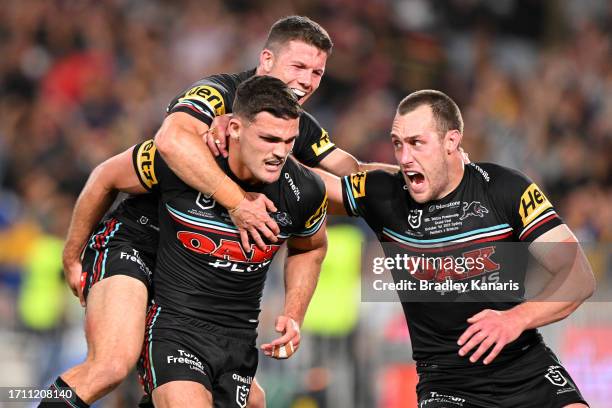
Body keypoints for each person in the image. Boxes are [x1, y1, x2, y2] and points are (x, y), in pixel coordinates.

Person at [52, 16, 396, 408]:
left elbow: (350, 175)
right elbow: (167, 141)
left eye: (317, 72)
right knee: (112, 364)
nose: (307, 80)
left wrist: (422, 177)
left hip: (195, 270)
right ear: (265, 60)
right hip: (139, 241)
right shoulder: (218, 94)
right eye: (298, 66)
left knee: (247, 399)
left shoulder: (295, 126)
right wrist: (236, 202)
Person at [45, 76, 327, 407]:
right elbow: (105, 177)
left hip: (233, 338)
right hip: (145, 268)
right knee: (110, 364)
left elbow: (312, 246)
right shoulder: (184, 158)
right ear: (233, 128)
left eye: (288, 142)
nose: (279, 153)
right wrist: (71, 256)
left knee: (254, 401)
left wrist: (294, 313)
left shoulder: (305, 191)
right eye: (268, 139)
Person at [318, 89, 594, 407]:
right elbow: (311, 187)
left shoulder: (505, 189)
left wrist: (516, 318)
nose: (405, 157)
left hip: (527, 371)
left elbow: (579, 276)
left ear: (451, 141)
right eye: (397, 144)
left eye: (416, 143)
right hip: (449, 385)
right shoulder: (385, 195)